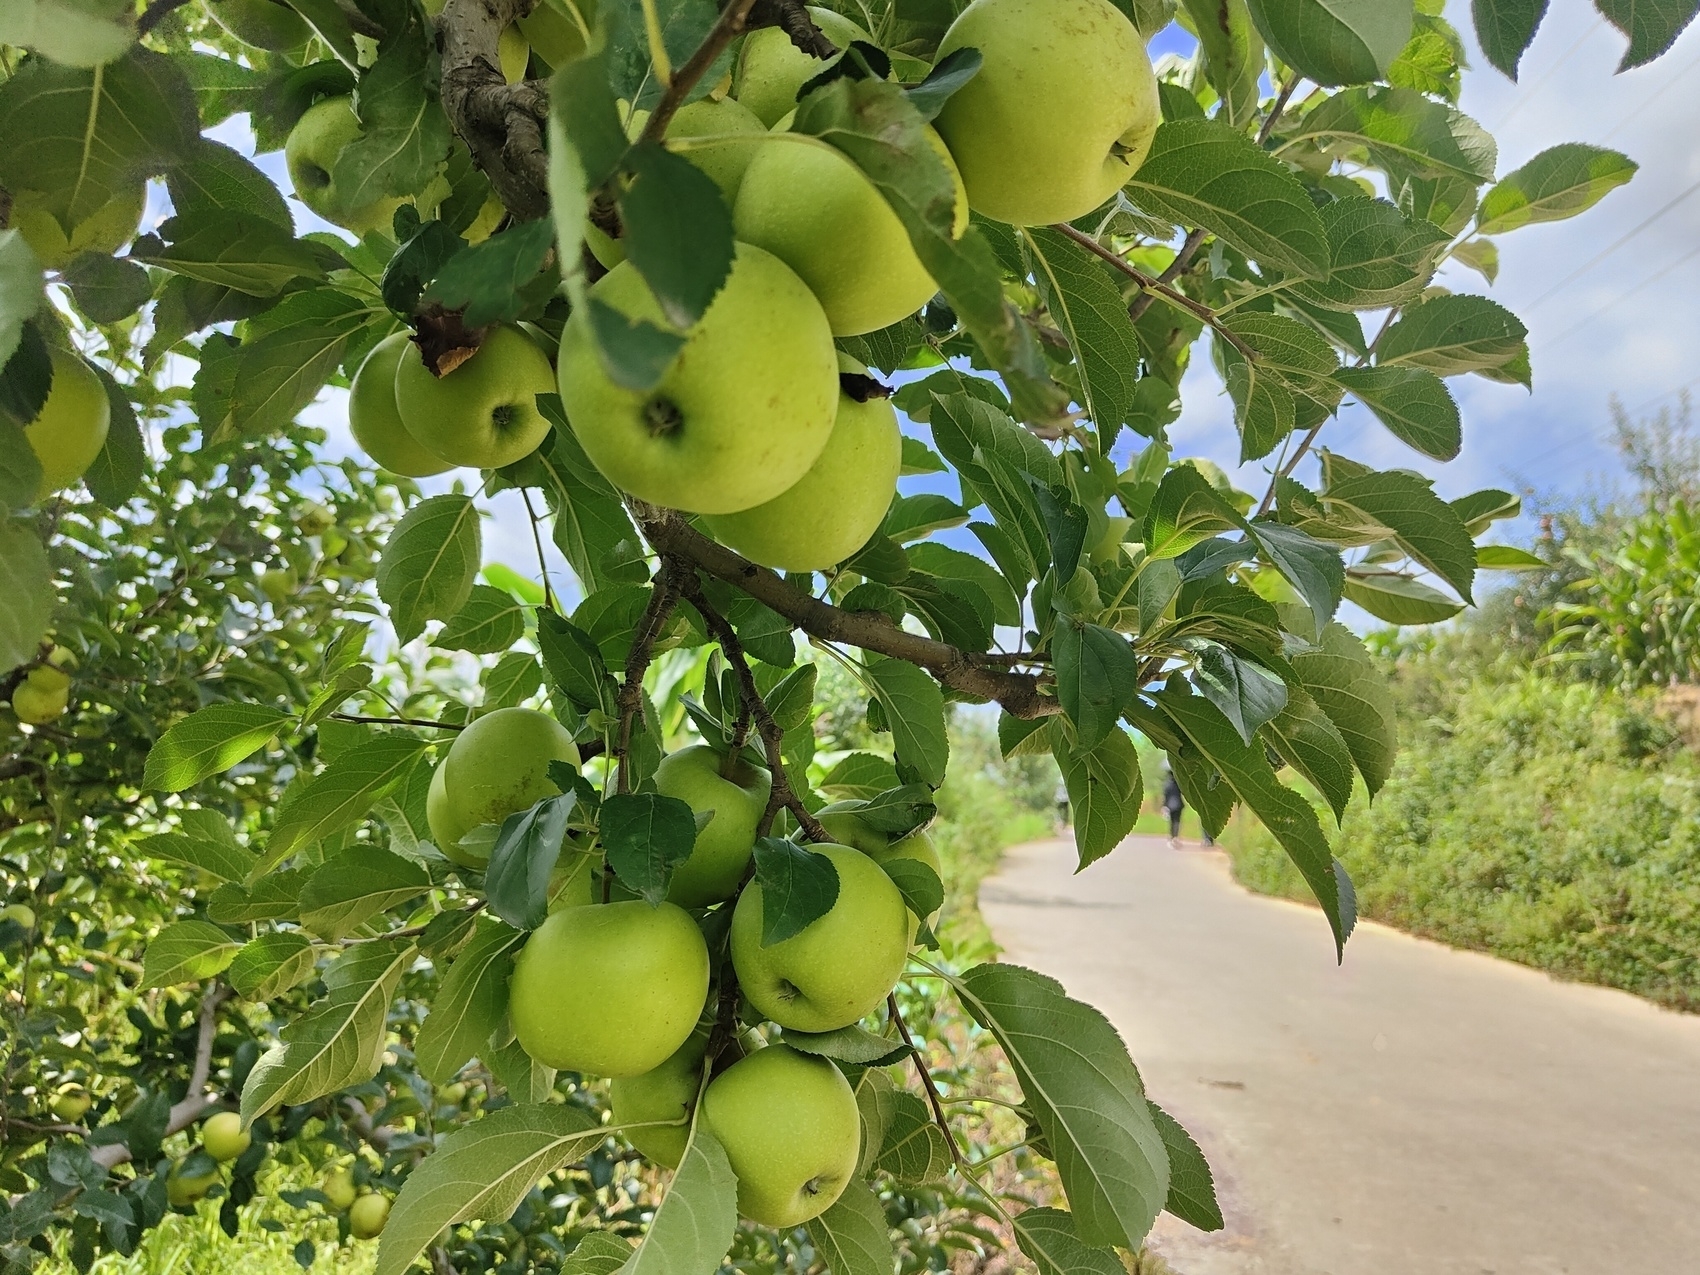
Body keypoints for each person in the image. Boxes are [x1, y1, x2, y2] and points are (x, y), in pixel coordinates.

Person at [1161, 768, 1184, 847]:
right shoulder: (1178, 784)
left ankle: (1172, 836)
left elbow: (1165, 797)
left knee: (1172, 821)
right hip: (1178, 805)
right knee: (1177, 821)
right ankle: (1175, 836)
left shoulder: (1167, 785)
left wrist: (1164, 806)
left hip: (1170, 806)